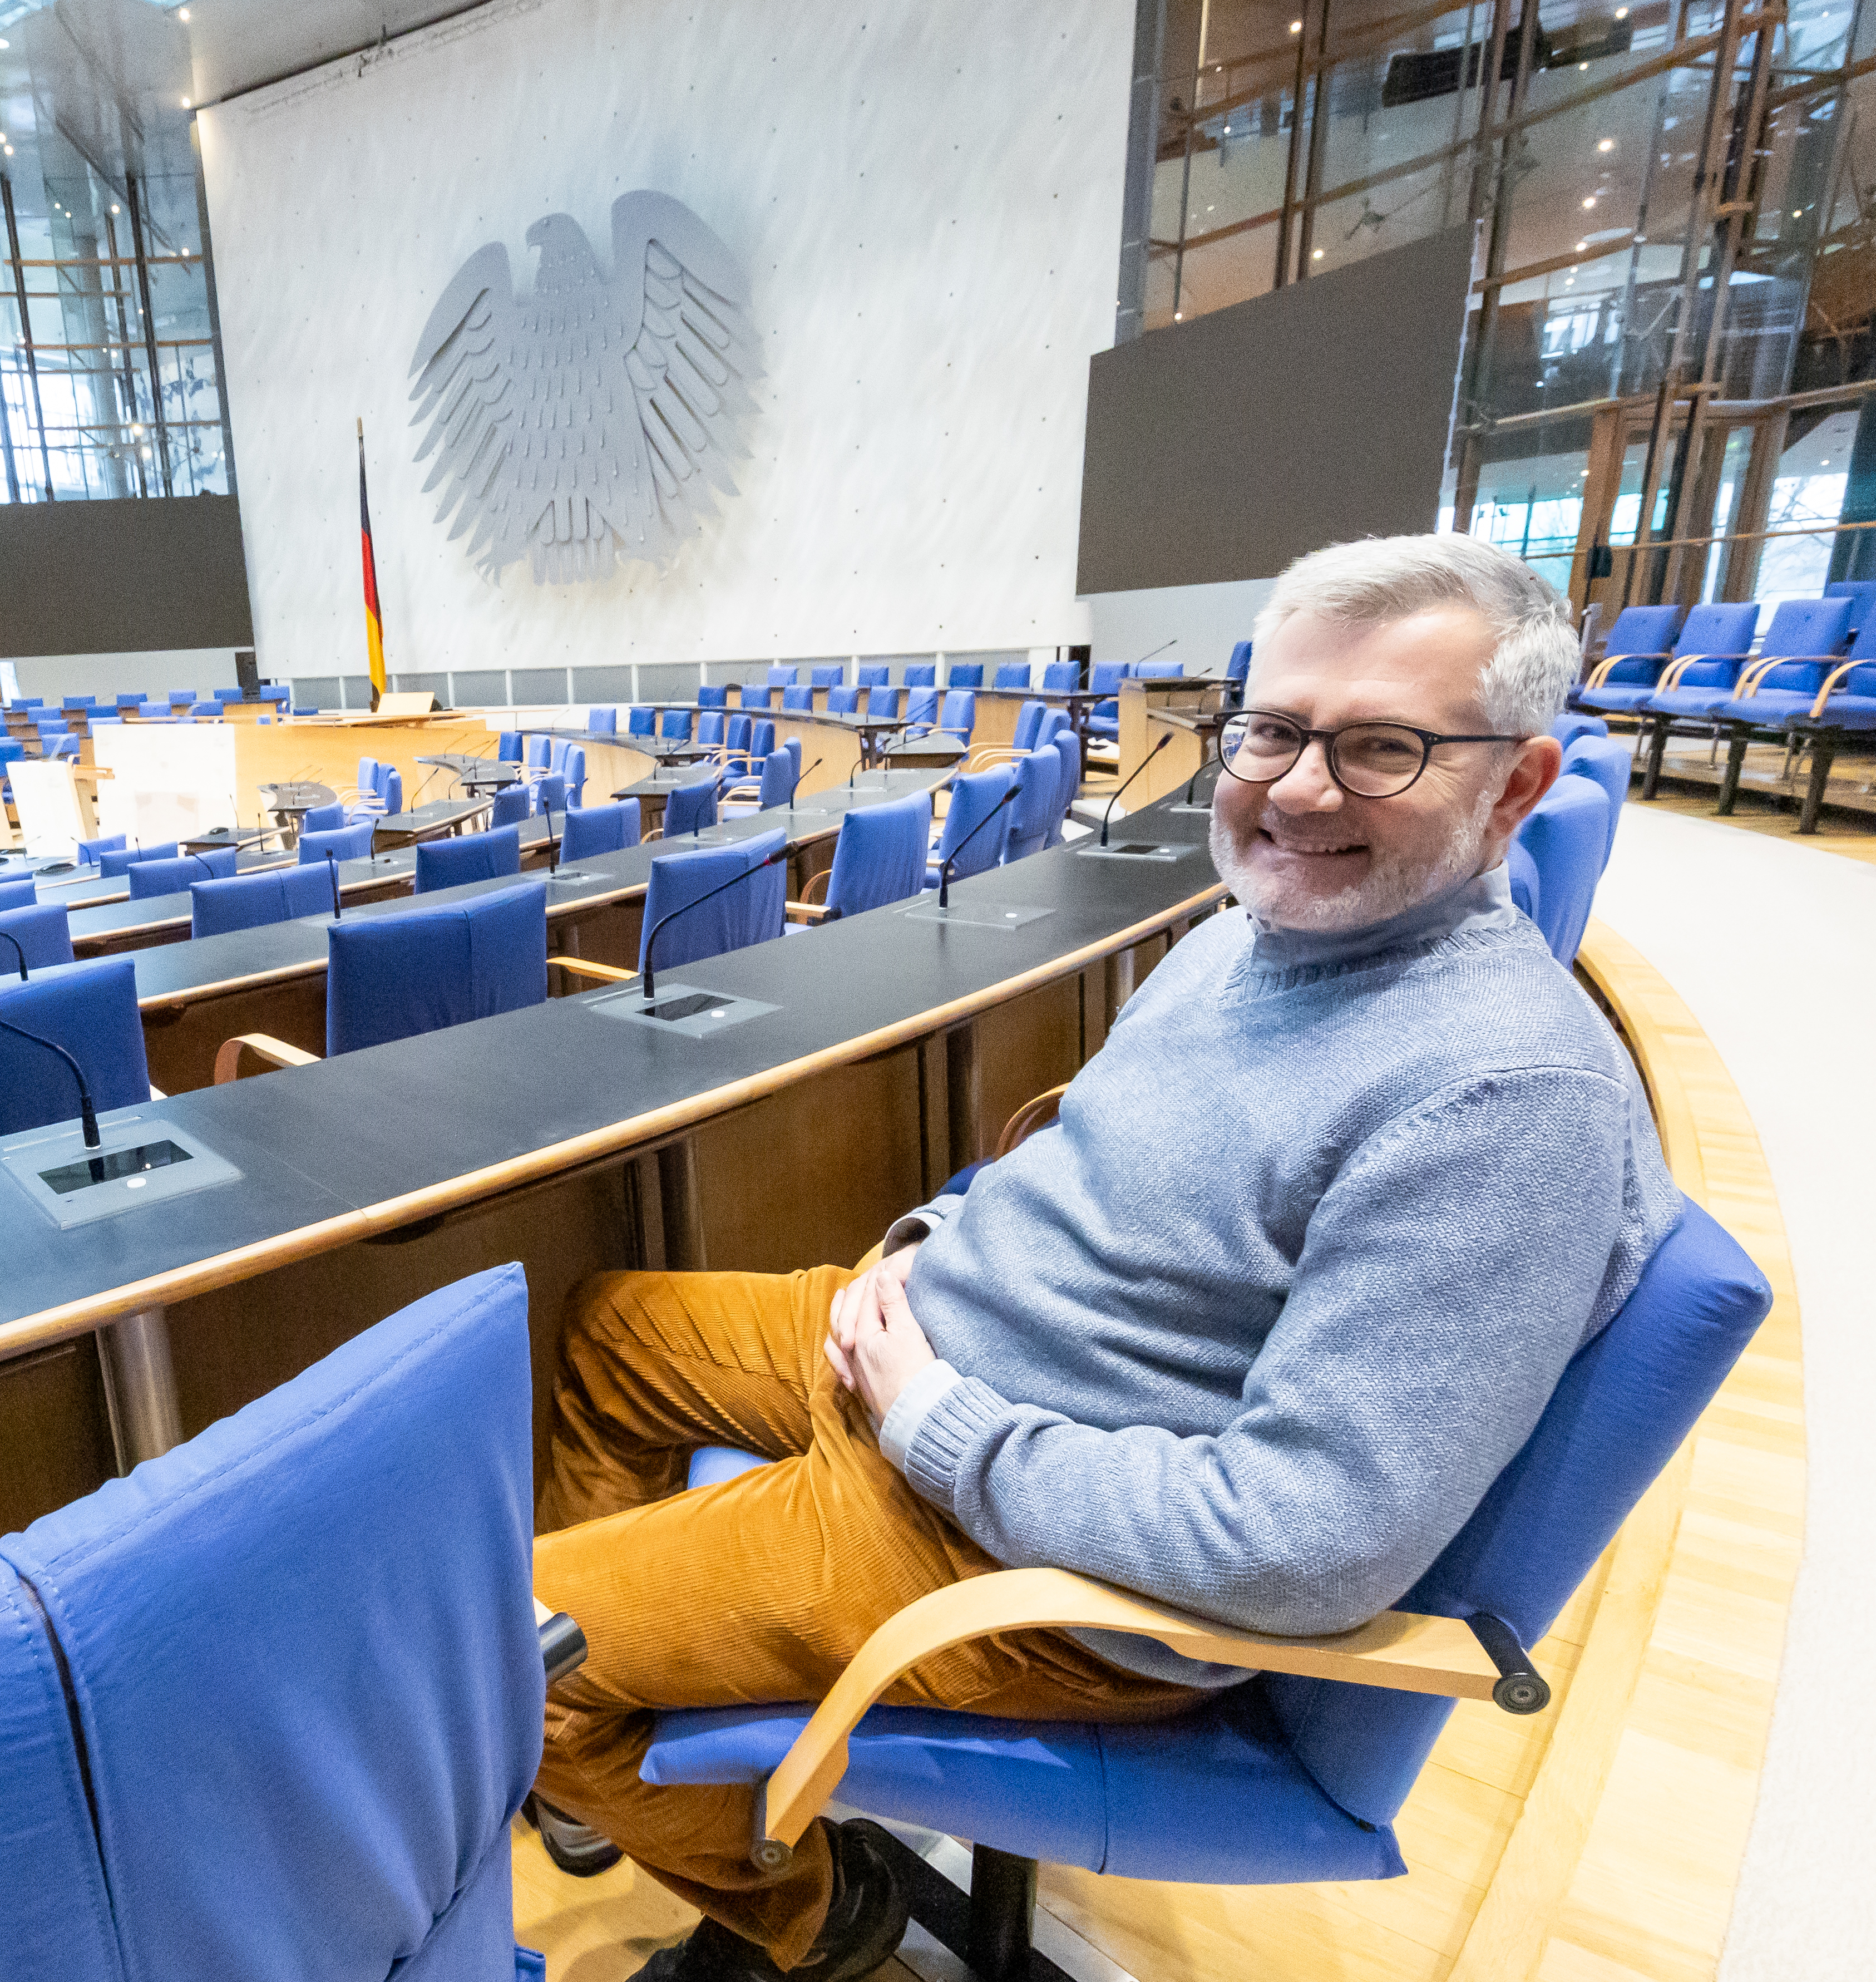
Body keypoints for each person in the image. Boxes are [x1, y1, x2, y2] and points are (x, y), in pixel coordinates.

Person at [530, 534, 1681, 1982]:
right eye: (1272, 728)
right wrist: (930, 1248)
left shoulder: (1501, 1102)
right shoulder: (1256, 932)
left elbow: (1297, 1542)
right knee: (608, 1323)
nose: (1295, 785)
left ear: (1514, 782)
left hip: (1005, 1547)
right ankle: (658, 1742)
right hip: (933, 1363)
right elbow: (1082, 1167)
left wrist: (939, 1425)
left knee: (509, 1665)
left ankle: (803, 1907)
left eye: (1381, 747)